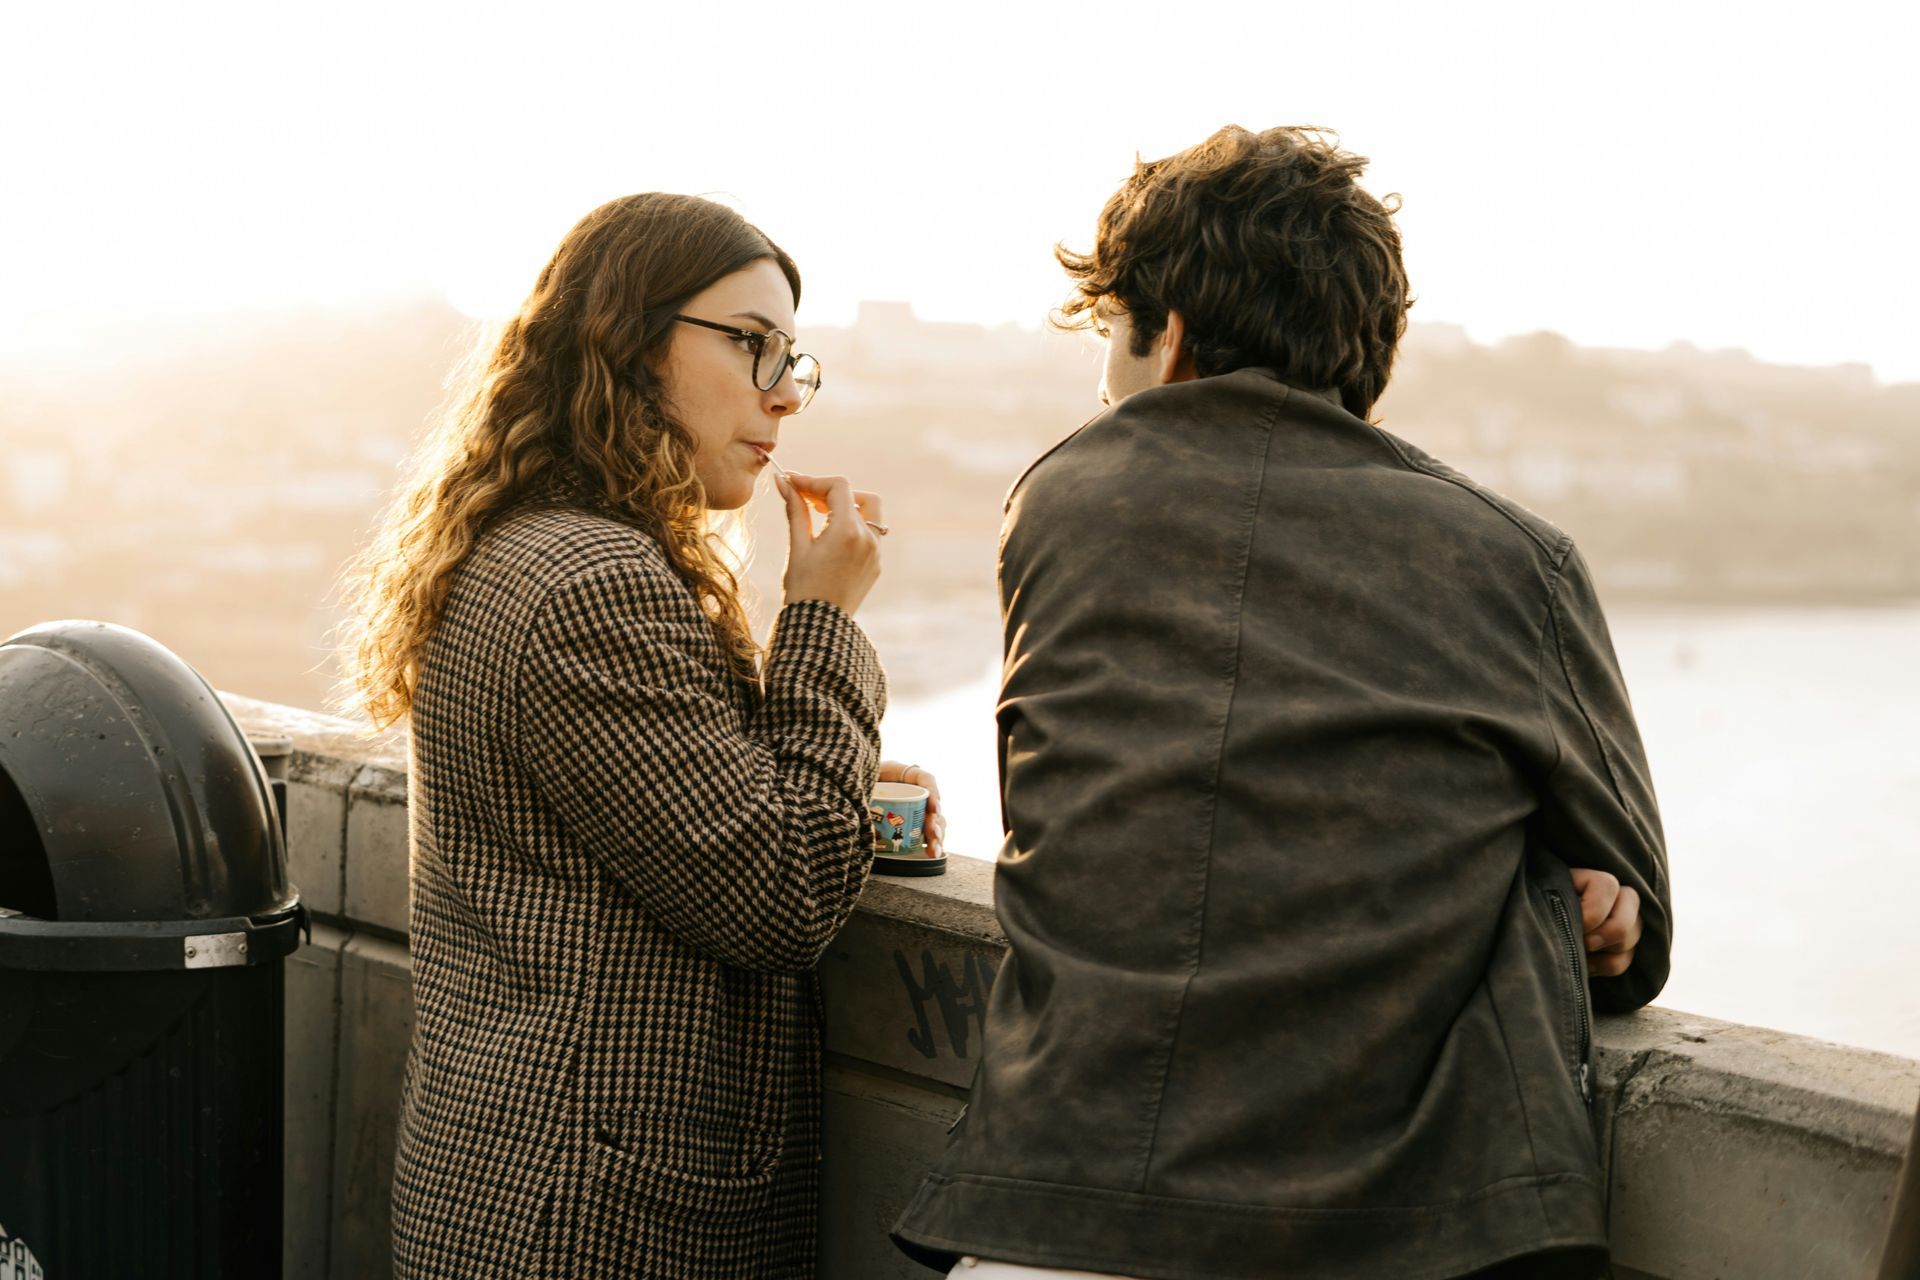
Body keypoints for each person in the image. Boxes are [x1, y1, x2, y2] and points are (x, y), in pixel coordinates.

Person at [891, 126, 1671, 1280]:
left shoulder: (1057, 504)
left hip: (1057, 1208)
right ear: (1367, 359)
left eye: (1111, 332)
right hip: (1407, 1232)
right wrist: (1569, 894)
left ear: (1170, 342)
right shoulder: (1516, 560)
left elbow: (1087, 814)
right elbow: (1638, 928)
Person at [339, 192, 941, 1279]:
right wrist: (821, 617)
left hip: (522, 1180)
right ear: (628, 338)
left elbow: (652, 803)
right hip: (591, 1215)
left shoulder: (529, 543)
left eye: (792, 358)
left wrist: (825, 764)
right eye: (751, 344)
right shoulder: (595, 582)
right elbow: (782, 888)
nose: (781, 395)